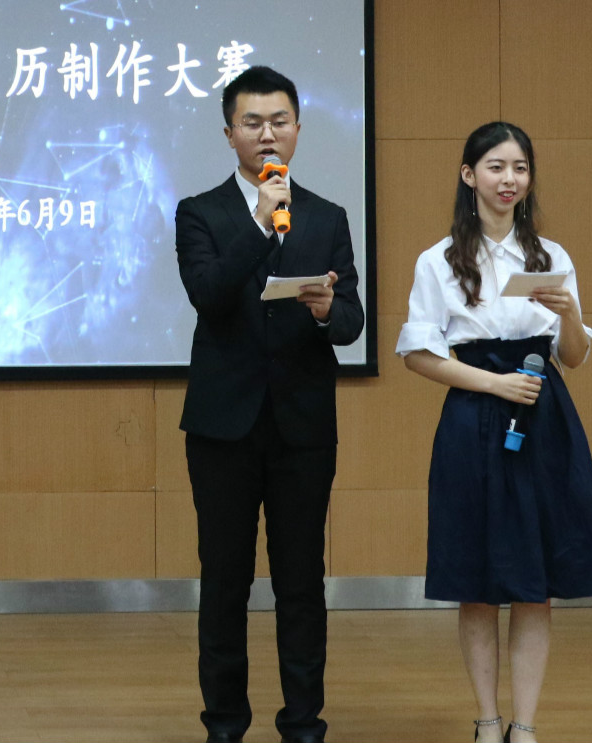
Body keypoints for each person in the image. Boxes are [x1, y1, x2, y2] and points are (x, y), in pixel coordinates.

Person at [396, 122, 592, 743]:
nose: (509, 179)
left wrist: (570, 315)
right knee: (478, 582)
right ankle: (487, 721)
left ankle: (525, 725)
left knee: (535, 585)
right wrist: (493, 385)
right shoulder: (438, 260)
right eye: (495, 167)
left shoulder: (552, 256)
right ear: (469, 175)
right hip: (473, 417)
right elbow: (418, 355)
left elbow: (573, 357)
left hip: (544, 417)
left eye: (519, 167)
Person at [174, 65, 364, 743]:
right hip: (223, 428)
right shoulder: (200, 212)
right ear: (229, 133)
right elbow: (209, 295)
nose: (267, 134)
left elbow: (352, 322)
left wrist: (326, 308)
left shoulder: (327, 216)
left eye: (279, 121)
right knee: (225, 581)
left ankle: (303, 722)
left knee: (301, 581)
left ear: (298, 130)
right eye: (252, 122)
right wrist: (258, 222)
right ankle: (225, 723)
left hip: (302, 428)